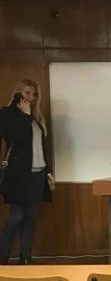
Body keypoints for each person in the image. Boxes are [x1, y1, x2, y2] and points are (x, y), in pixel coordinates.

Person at [0, 78, 53, 265]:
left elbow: (40, 147)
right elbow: (16, 137)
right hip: (18, 174)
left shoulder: (36, 117)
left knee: (32, 215)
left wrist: (48, 172)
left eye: (34, 94)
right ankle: (3, 256)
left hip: (38, 172)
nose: (31, 97)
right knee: (16, 215)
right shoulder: (7, 114)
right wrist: (25, 116)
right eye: (27, 93)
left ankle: (25, 257)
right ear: (18, 94)